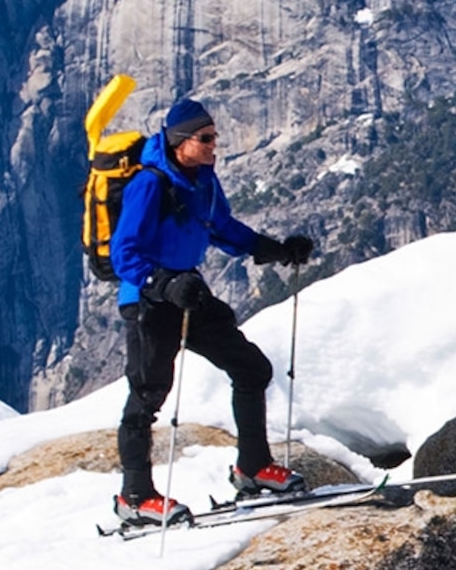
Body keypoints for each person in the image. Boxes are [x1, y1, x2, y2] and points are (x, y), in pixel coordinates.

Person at [108, 97, 315, 523]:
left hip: (188, 293)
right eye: (205, 138)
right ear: (181, 141)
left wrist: (275, 250)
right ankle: (134, 497)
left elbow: (223, 228)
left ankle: (253, 468)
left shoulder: (202, 179)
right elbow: (122, 252)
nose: (213, 144)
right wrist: (163, 283)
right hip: (149, 300)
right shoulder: (149, 184)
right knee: (147, 396)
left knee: (251, 368)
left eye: (214, 137)